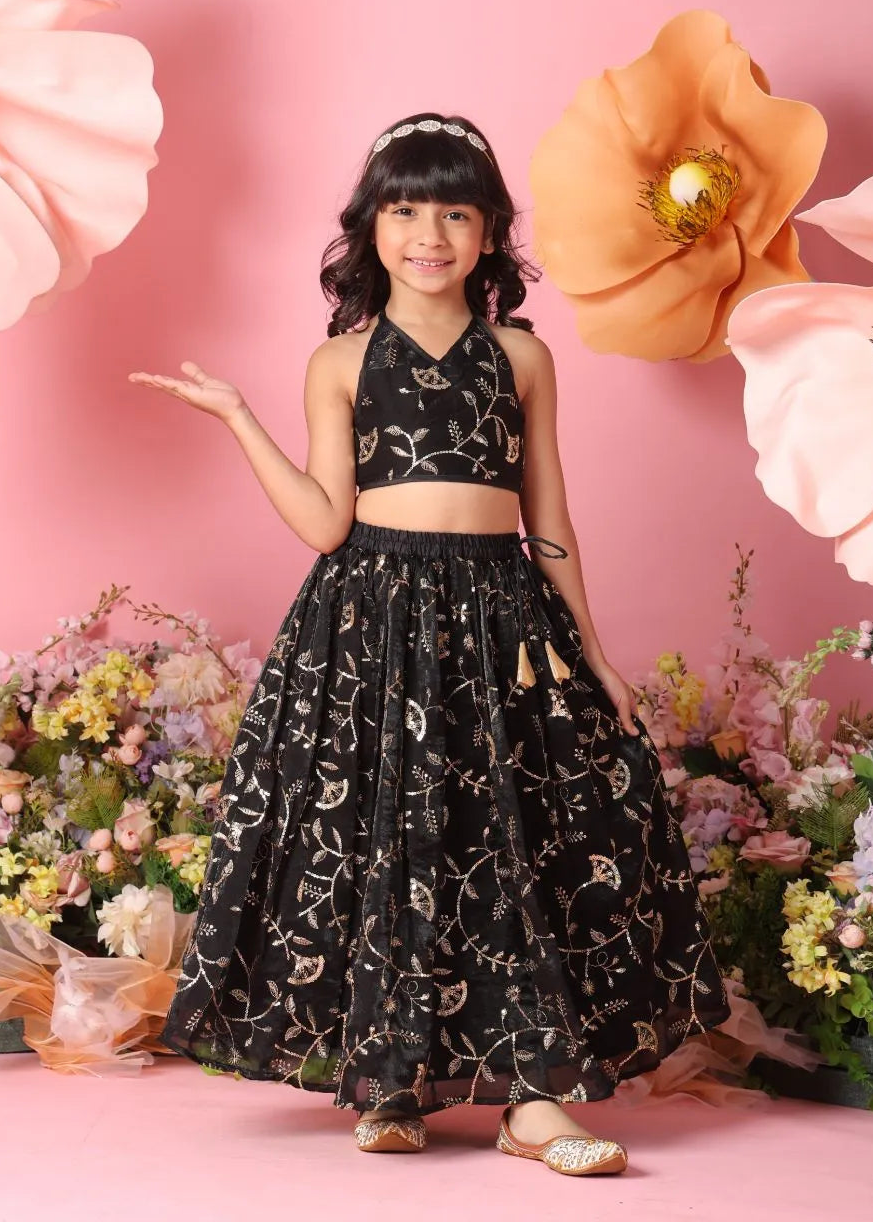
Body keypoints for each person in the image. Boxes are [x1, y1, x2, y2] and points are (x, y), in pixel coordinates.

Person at [130, 112, 729, 1176]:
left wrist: (592, 653)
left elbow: (549, 517)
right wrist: (235, 416)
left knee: (516, 840)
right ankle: (389, 1080)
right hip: (371, 625)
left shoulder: (524, 357)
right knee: (383, 846)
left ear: (492, 231)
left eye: (456, 210)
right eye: (407, 210)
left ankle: (536, 1100)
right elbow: (325, 522)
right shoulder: (341, 361)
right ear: (371, 229)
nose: (431, 233)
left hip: (504, 624)